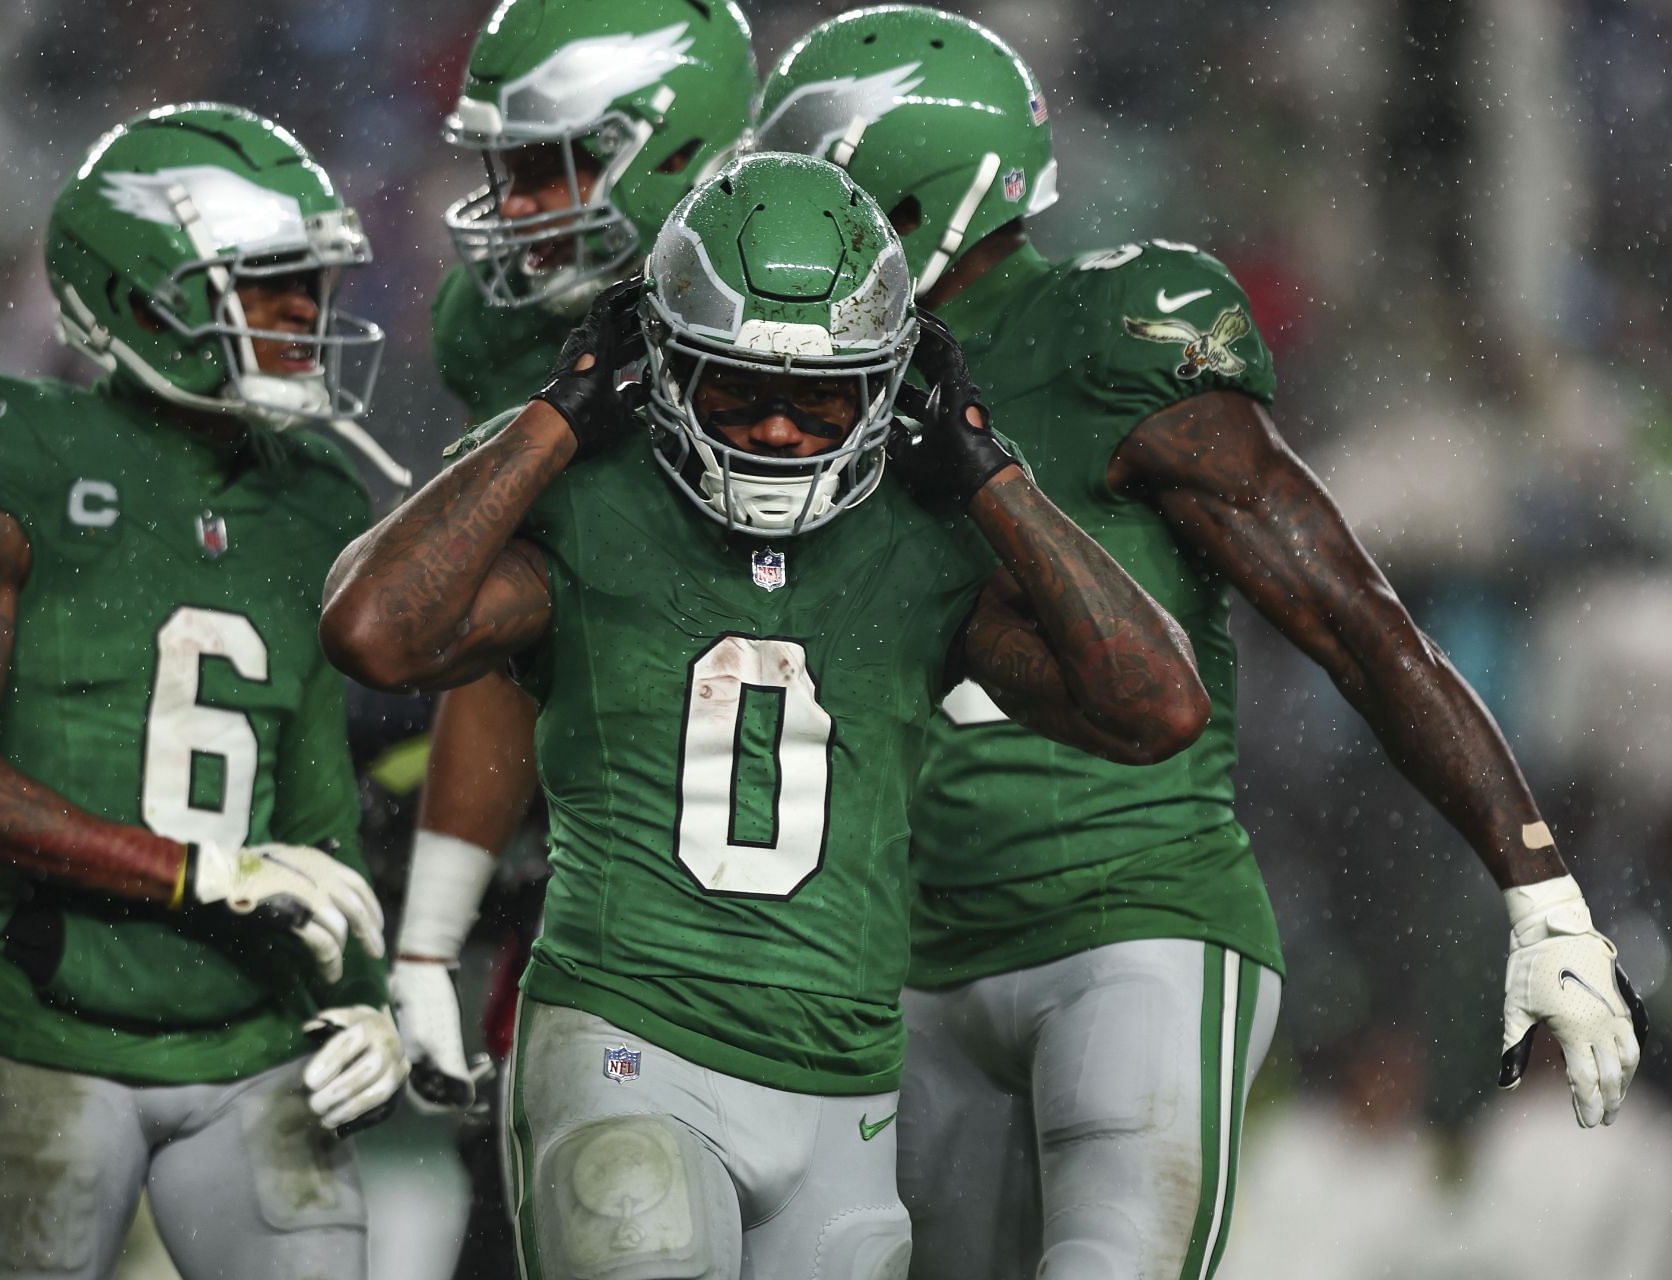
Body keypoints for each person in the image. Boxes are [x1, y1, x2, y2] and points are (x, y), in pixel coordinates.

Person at [752, 11, 1650, 1280]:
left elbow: (1359, 623)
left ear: (906, 193)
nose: (777, 233)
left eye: (818, 186)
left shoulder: (1116, 331)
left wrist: (1542, 892)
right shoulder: (772, 394)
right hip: (908, 952)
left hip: (1131, 920)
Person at [322, 151, 1208, 1280]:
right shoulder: (593, 500)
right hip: (629, 1040)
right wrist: (553, 417)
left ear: (889, 385)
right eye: (739, 390)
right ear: (659, 367)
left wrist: (993, 471)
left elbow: (1158, 707)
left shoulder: (919, 538)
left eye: (821, 396)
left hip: (845, 1085)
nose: (782, 431)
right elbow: (372, 629)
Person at [0, 103, 408, 1280]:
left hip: (260, 1038)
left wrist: (368, 995)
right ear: (140, 293)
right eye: (269, 288)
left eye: (311, 288)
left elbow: (313, 800)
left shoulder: (313, 496)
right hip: (51, 1028)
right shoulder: (15, 448)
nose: (307, 321)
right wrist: (194, 868)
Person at [398, 0, 757, 1121]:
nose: (516, 212)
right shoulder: (507, 327)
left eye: (548, 172)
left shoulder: (821, 312)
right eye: (508, 172)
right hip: (607, 890)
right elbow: (522, 641)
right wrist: (427, 941)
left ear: (675, 148)